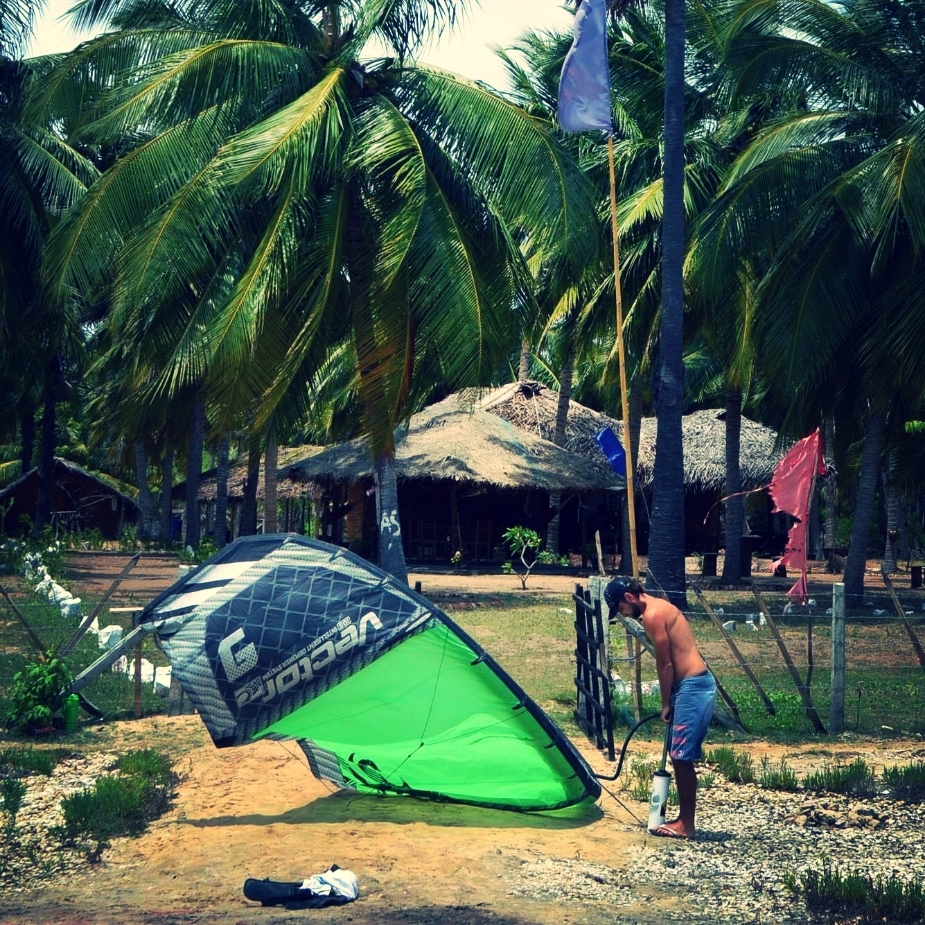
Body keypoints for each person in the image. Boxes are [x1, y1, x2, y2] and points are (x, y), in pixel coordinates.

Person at [604, 577, 716, 839]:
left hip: (693, 687)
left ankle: (686, 825)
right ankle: (684, 820)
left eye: (621, 608)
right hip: (694, 685)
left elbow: (665, 664)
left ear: (629, 598)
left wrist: (665, 703)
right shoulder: (659, 607)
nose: (623, 614)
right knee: (680, 755)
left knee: (680, 756)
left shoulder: (653, 615)